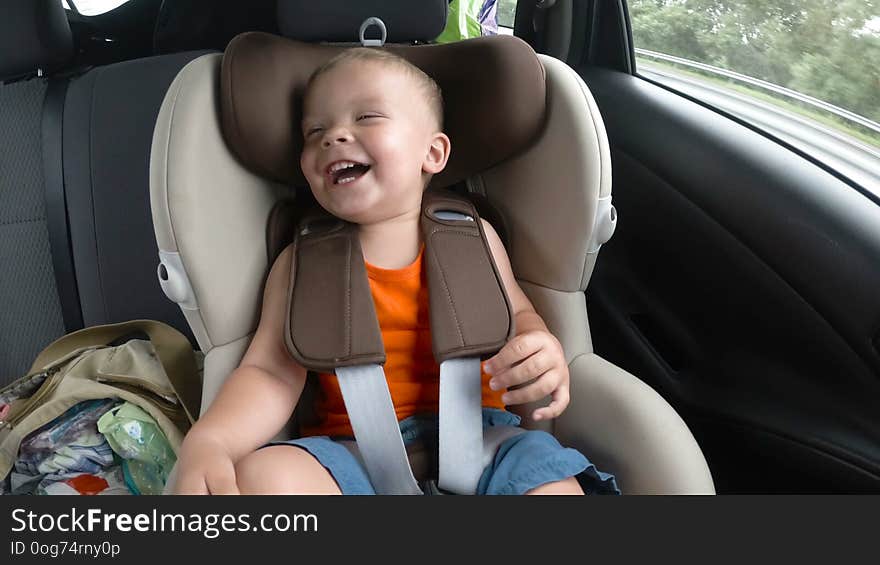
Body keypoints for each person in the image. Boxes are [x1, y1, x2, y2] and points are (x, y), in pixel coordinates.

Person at [174, 48, 617, 495]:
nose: (333, 137)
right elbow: (270, 371)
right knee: (262, 478)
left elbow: (518, 317)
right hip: (348, 453)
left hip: (488, 441)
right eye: (314, 131)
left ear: (433, 151)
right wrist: (213, 440)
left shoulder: (475, 238)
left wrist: (540, 347)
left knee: (552, 482)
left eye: (366, 117)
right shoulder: (300, 261)